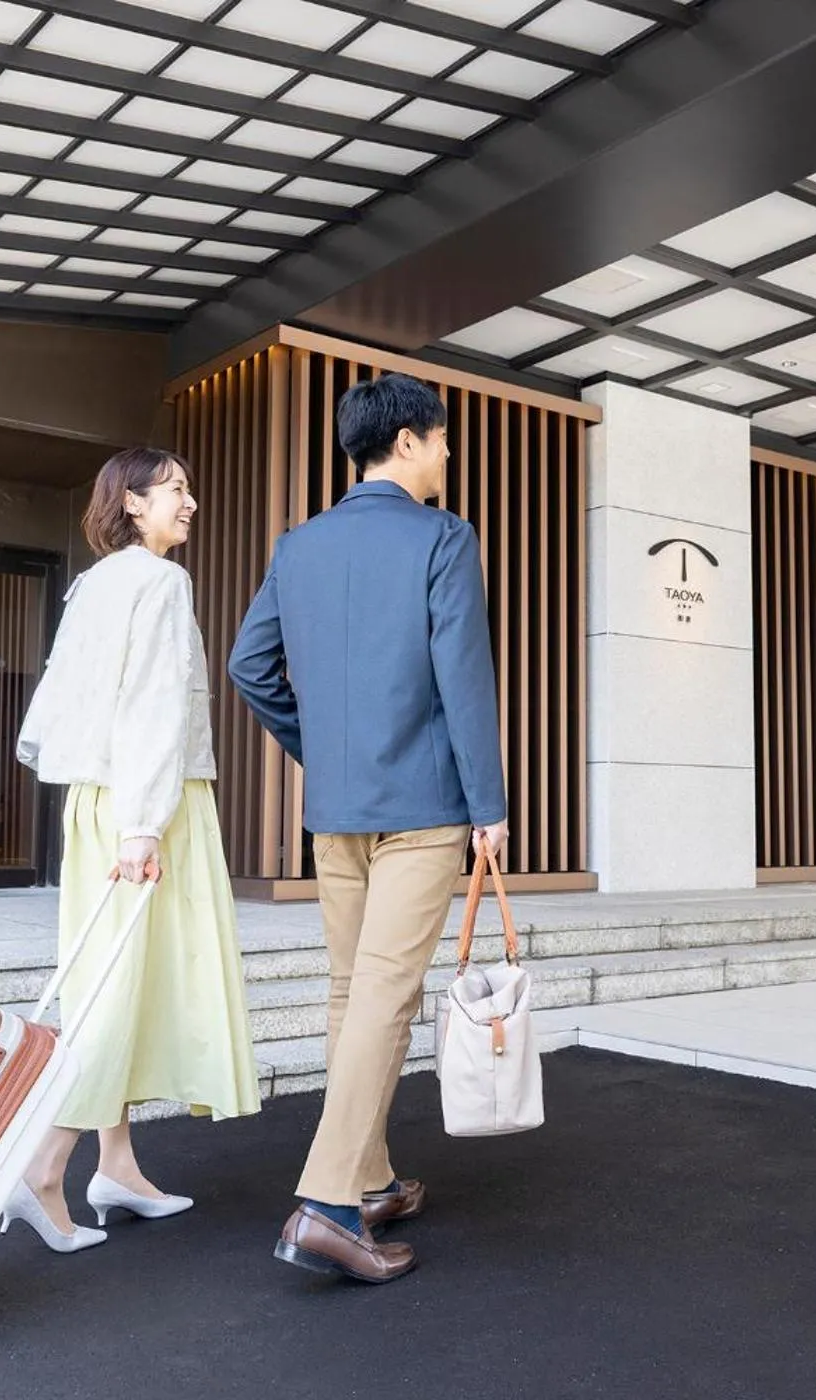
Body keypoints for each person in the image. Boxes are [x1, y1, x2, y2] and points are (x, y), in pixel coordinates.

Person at [229, 373, 508, 1285]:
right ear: (409, 443)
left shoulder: (298, 546)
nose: (448, 454)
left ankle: (374, 1175)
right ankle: (326, 1204)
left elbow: (250, 666)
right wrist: (490, 808)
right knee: (383, 1000)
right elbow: (464, 680)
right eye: (442, 439)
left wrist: (322, 750)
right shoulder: (443, 537)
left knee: (355, 995)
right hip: (424, 810)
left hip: (338, 811)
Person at [7, 446, 263, 1253]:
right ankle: (45, 1168)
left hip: (98, 800)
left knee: (117, 977)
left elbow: (60, 703)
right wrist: (146, 825)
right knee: (117, 992)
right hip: (149, 805)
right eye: (176, 489)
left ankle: (116, 1166)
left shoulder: (95, 583)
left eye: (189, 487)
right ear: (133, 502)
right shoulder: (159, 581)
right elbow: (153, 707)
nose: (190, 501)